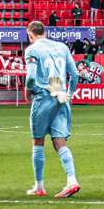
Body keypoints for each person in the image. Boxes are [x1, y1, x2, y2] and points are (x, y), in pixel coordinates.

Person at [22, 21, 80, 198]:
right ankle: (72, 180)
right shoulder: (62, 47)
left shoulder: (32, 50)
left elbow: (31, 77)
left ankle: (39, 186)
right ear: (45, 33)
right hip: (61, 96)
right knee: (60, 142)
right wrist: (68, 94)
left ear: (30, 35)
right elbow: (75, 74)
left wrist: (28, 92)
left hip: (44, 97)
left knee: (38, 141)